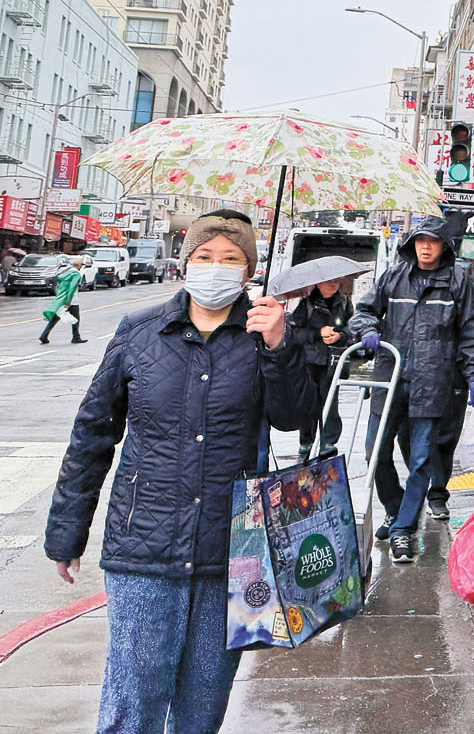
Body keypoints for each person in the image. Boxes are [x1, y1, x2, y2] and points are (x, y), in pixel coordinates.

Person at [45, 209, 318, 734]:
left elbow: (297, 417)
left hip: (232, 552)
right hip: (143, 548)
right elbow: (93, 433)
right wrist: (67, 531)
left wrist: (280, 348)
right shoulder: (138, 332)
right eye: (205, 257)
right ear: (186, 261)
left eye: (231, 259)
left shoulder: (267, 333)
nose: (216, 268)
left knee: (201, 710)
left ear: (249, 270)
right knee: (133, 705)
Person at [350, 213, 474, 564]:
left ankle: (403, 531)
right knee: (375, 452)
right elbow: (364, 310)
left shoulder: (458, 282)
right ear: (411, 243)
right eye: (420, 240)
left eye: (432, 241)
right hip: (391, 376)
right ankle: (398, 509)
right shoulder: (394, 276)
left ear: (444, 245)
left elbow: (473, 331)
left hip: (434, 379)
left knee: (421, 459)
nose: (425, 247)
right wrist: (367, 328)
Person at [292, 277, 354, 458]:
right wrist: (318, 333)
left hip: (333, 361)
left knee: (331, 404)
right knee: (308, 403)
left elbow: (351, 330)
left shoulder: (344, 303)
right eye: (329, 281)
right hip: (309, 362)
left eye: (337, 281)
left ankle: (328, 442)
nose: (334, 284)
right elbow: (296, 332)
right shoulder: (307, 304)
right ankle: (306, 442)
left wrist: (339, 336)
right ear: (318, 283)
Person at [41, 255, 89, 345]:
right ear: (79, 265)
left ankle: (44, 335)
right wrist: (68, 300)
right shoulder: (76, 274)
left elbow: (59, 286)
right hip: (72, 301)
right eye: (81, 265)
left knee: (55, 318)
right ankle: (76, 338)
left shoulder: (66, 273)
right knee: (76, 319)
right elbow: (72, 287)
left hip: (61, 299)